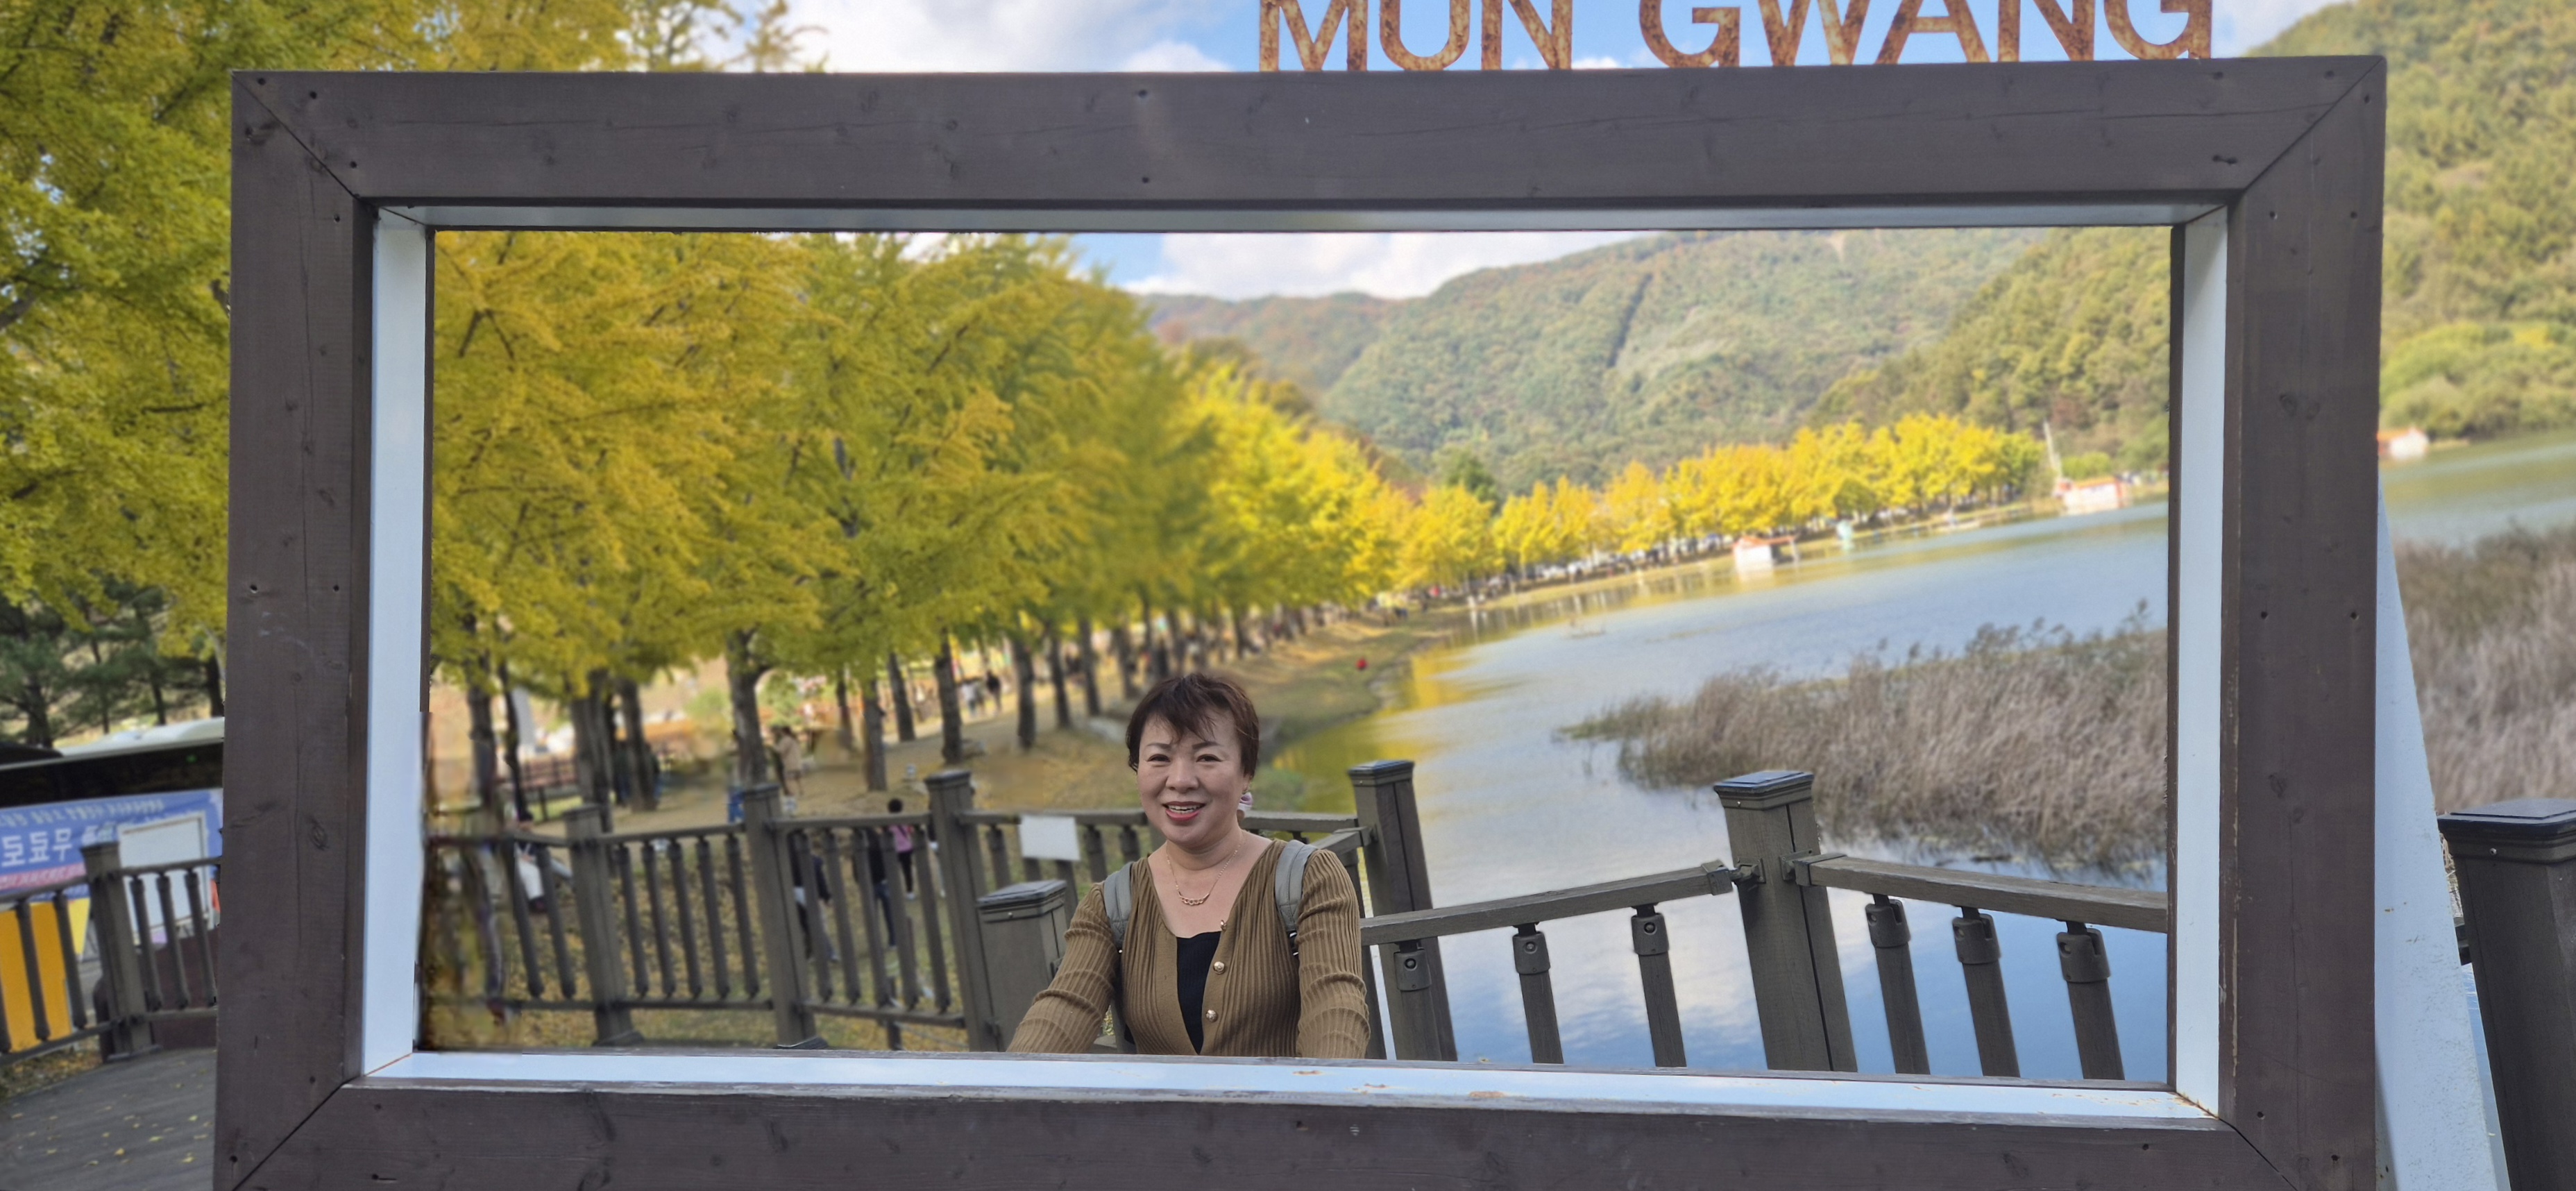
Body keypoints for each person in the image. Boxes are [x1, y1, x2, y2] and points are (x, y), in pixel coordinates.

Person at [1008, 673, 1368, 1058]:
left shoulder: (1308, 879)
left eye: (1207, 758)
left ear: (1247, 773)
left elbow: (1336, 1006)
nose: (1180, 780)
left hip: (1294, 1100)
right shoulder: (1111, 904)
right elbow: (1066, 1007)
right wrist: (1007, 1084)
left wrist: (1323, 1086)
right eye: (1159, 759)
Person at [888, 798, 918, 897]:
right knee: (907, 871)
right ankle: (910, 891)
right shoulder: (906, 820)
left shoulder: (887, 821)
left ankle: (894, 891)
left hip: (894, 849)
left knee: (893, 872)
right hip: (906, 848)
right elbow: (911, 831)